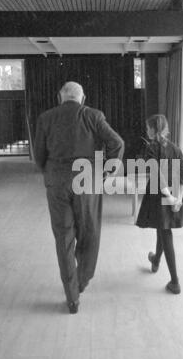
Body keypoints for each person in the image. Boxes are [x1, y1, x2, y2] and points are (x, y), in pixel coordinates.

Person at [34, 81, 124, 314]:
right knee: (90, 232)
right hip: (87, 179)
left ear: (59, 97)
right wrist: (108, 169)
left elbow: (39, 156)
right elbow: (117, 142)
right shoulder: (93, 115)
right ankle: (82, 280)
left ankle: (71, 297)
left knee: (63, 238)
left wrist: (51, 173)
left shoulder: (46, 117)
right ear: (82, 99)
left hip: (57, 182)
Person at [136, 115, 183, 294]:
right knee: (163, 227)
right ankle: (156, 260)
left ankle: (175, 282)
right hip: (173, 190)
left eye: (148, 128)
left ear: (153, 129)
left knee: (165, 232)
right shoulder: (175, 148)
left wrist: (171, 196)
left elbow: (157, 177)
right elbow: (182, 176)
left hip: (161, 193)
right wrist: (178, 197)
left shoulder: (151, 148)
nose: (146, 131)